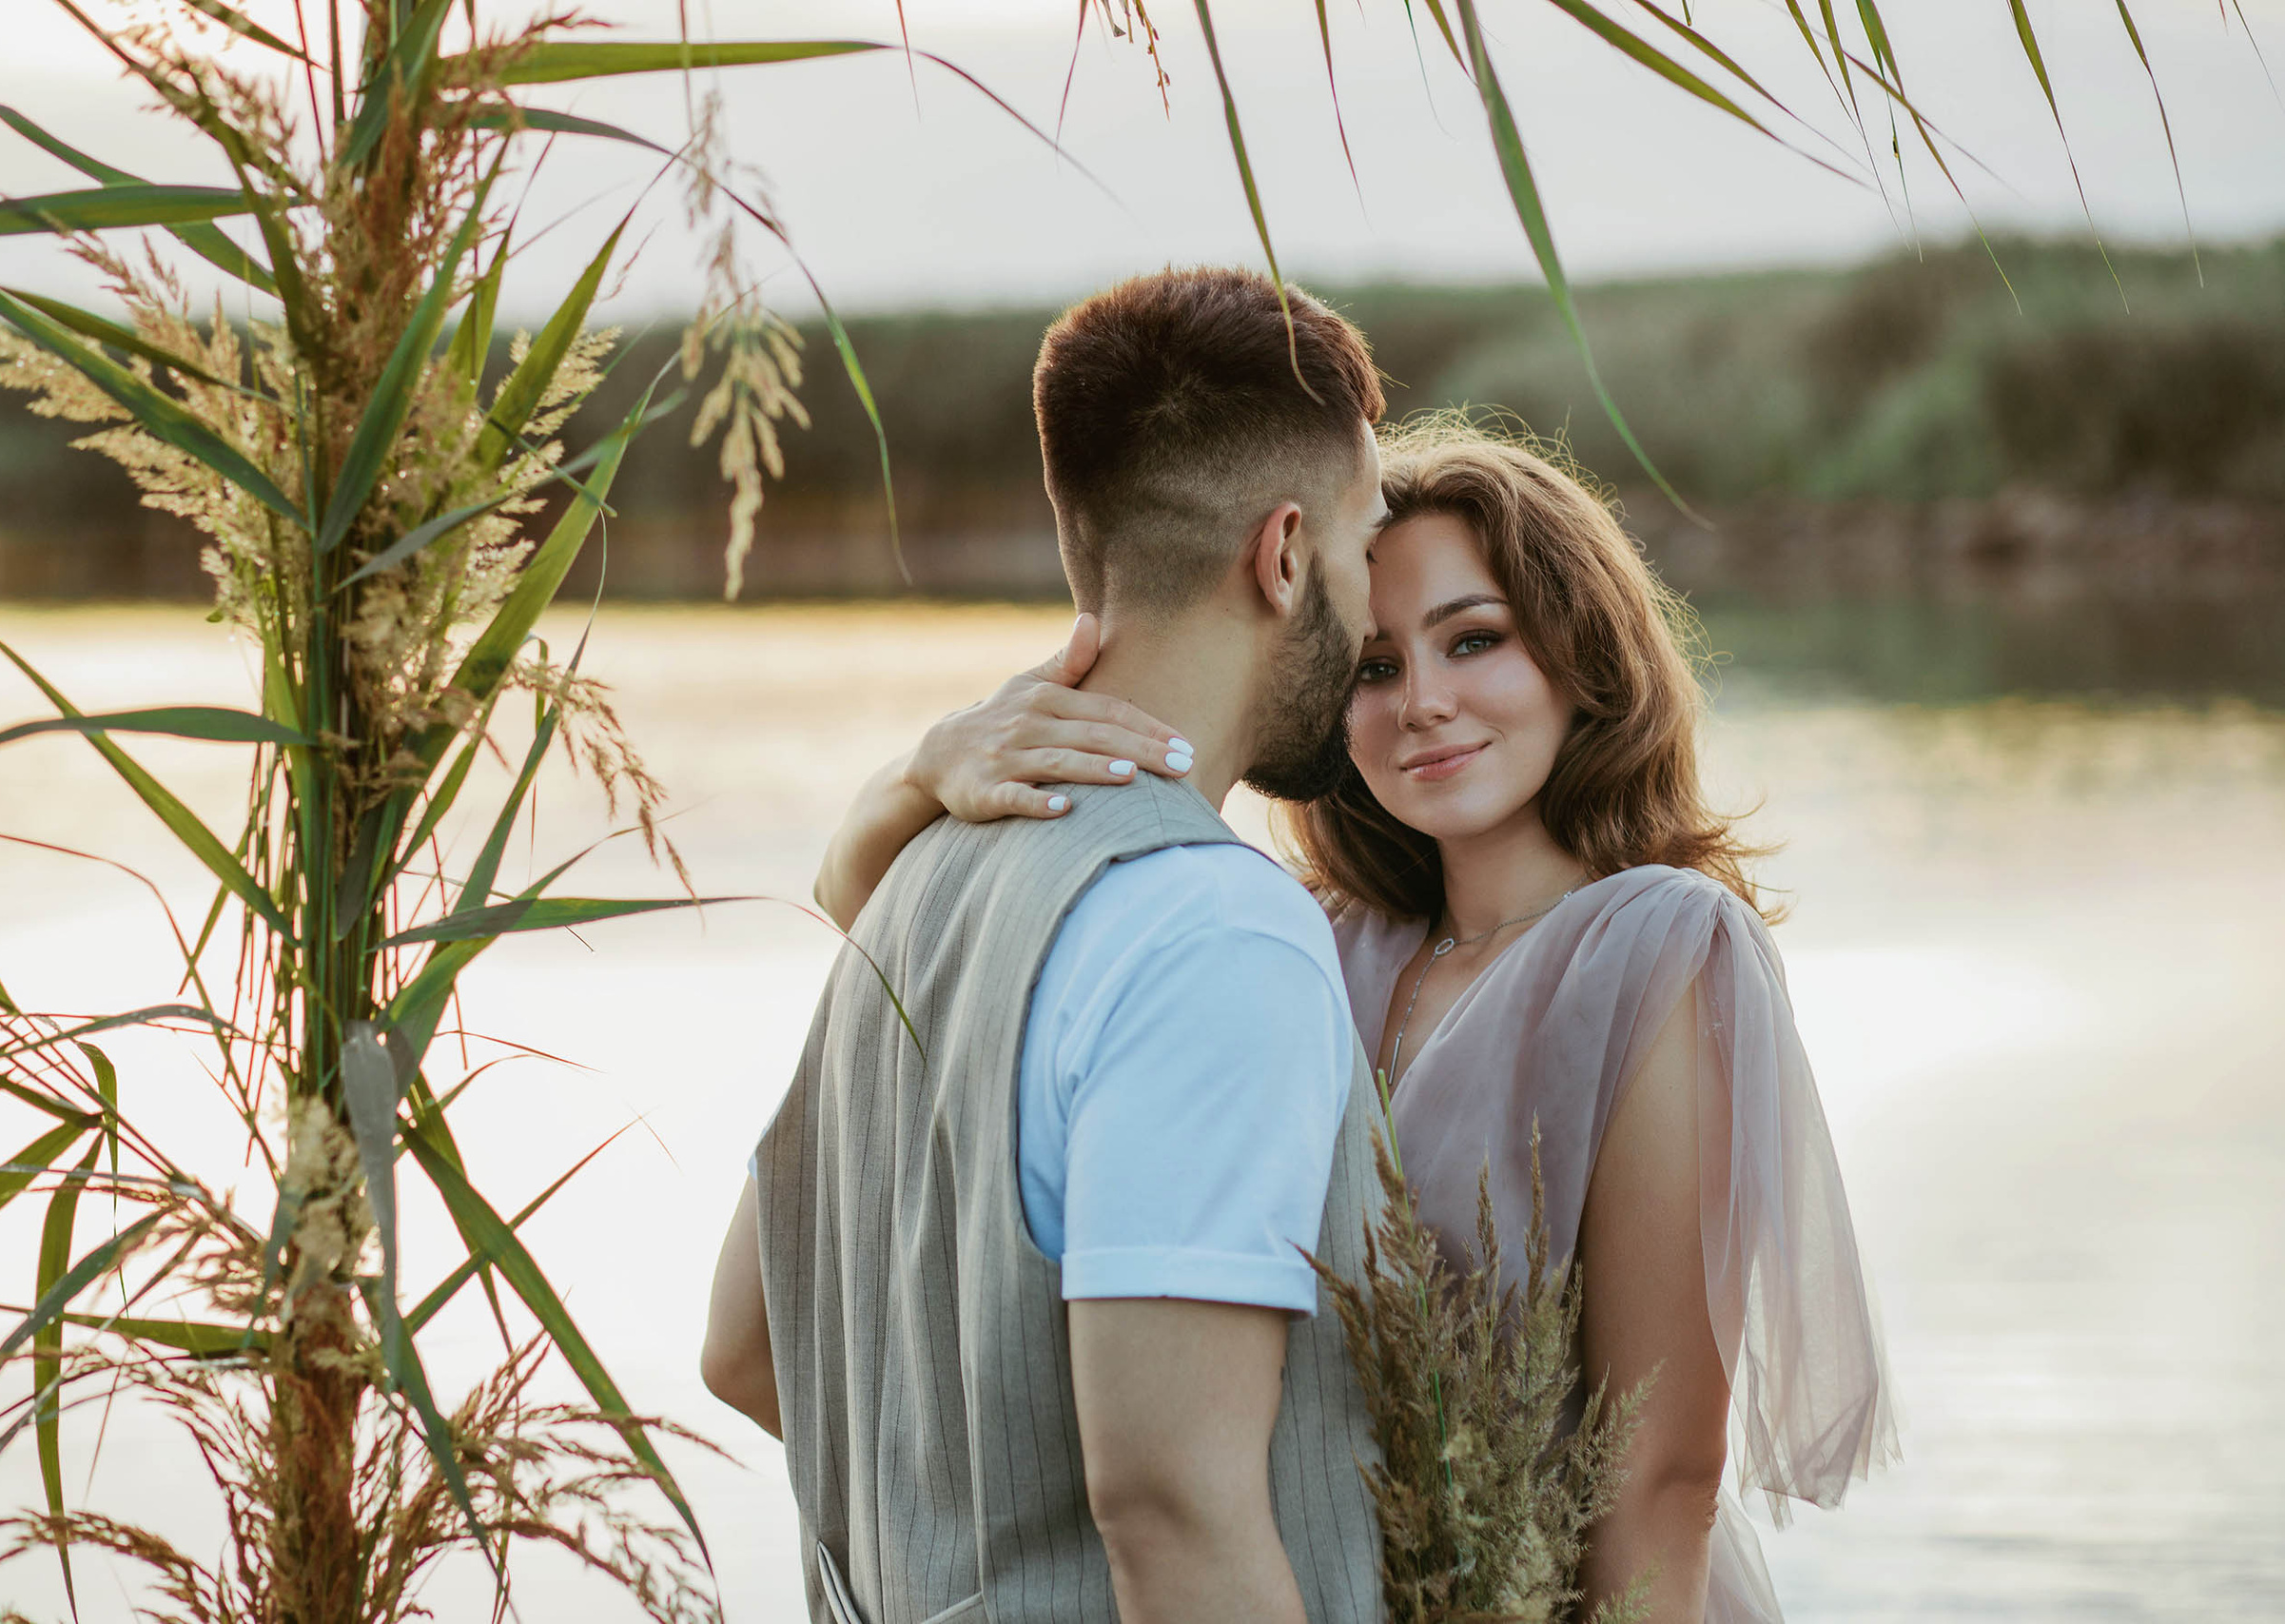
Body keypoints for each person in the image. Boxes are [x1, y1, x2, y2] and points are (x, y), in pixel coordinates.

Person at [816, 415, 1896, 1624]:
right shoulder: (1310, 940)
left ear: (1577, 652)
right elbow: (930, 979)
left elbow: (1660, 1471)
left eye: (1473, 641)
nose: (1422, 704)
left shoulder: (1657, 952)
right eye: (1375, 666)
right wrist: (917, 779)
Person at [700, 266, 1396, 1624]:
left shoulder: (913, 881)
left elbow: (748, 1349)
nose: (1372, 621)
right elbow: (1176, 1507)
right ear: (1289, 554)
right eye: (1369, 548)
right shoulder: (1218, 933)